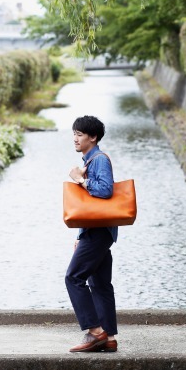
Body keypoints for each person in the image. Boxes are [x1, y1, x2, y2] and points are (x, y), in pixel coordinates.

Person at [66, 115, 119, 353]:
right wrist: (80, 235)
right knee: (99, 283)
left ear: (93, 137)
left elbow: (105, 191)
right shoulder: (90, 161)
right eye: (74, 133)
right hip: (97, 230)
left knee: (74, 277)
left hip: (98, 232)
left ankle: (95, 332)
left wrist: (79, 180)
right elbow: (90, 207)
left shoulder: (98, 160)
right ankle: (108, 338)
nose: (75, 138)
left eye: (79, 134)